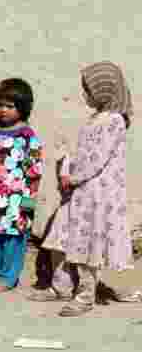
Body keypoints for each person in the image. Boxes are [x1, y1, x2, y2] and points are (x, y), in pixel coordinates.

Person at [30, 62, 133, 316]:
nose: (85, 94)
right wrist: (67, 166)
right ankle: (61, 286)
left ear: (104, 91)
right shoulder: (96, 119)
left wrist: (73, 177)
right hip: (81, 191)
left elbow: (97, 159)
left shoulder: (114, 121)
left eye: (89, 89)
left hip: (98, 194)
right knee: (61, 234)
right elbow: (85, 154)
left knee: (89, 245)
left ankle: (86, 295)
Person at [0, 79, 44, 292]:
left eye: (10, 106)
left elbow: (34, 169)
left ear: (22, 108)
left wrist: (28, 199)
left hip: (17, 200)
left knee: (13, 239)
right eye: (0, 105)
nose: (3, 110)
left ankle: (8, 277)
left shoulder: (27, 136)